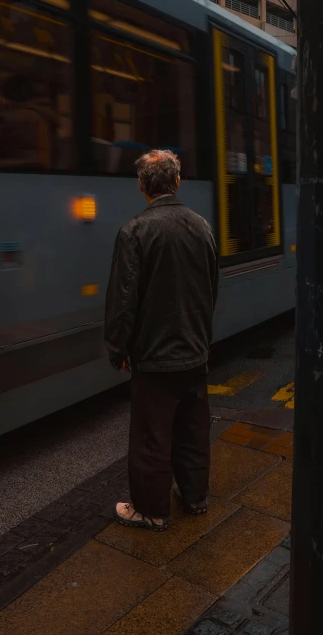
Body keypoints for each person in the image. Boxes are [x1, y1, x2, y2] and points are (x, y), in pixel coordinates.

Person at [104, 149, 219, 531]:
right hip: (194, 351)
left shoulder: (134, 232)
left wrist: (118, 348)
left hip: (153, 357)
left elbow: (123, 301)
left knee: (152, 436)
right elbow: (210, 289)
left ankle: (151, 510)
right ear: (178, 182)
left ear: (142, 187)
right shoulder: (201, 226)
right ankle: (196, 497)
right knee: (193, 430)